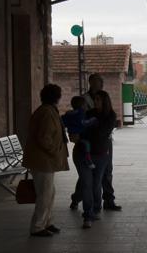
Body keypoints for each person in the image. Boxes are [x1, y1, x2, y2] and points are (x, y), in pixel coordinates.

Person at [22, 84, 69, 237]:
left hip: (44, 160)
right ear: (56, 97)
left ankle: (47, 222)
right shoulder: (47, 113)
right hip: (43, 160)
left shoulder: (47, 110)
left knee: (50, 193)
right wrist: (55, 151)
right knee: (44, 194)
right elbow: (44, 137)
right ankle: (37, 227)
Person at [70, 73, 122, 211]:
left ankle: (108, 200)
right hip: (89, 143)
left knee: (107, 171)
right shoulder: (84, 100)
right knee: (87, 177)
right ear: (91, 83)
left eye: (100, 82)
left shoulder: (104, 100)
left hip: (102, 142)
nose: (100, 85)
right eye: (97, 82)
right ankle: (77, 198)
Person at [76, 90, 117, 229]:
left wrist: (88, 129)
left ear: (105, 101)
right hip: (85, 154)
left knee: (96, 183)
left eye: (99, 99)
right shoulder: (89, 113)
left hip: (101, 155)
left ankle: (97, 208)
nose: (96, 102)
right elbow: (82, 130)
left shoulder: (111, 115)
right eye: (95, 99)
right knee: (87, 184)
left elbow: (102, 133)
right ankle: (88, 214)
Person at [62, 96, 97, 169]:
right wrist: (93, 120)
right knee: (87, 145)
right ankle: (88, 161)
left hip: (72, 134)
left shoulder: (69, 113)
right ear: (82, 105)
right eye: (85, 104)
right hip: (80, 135)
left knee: (83, 144)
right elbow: (83, 123)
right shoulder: (81, 113)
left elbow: (63, 122)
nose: (86, 106)